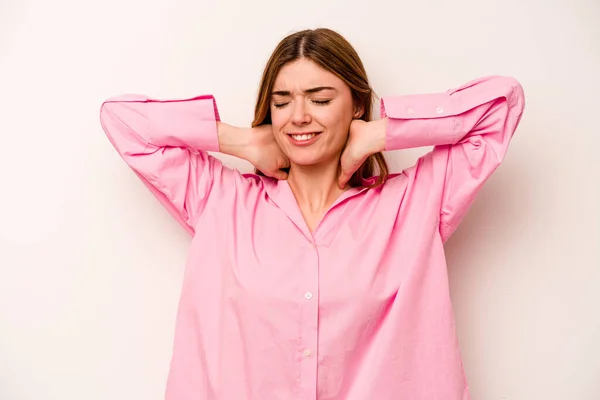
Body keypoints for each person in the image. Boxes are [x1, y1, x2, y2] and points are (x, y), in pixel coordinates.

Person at [100, 28, 525, 400]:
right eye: (282, 102)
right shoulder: (218, 198)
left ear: (356, 105)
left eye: (320, 99)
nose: (299, 116)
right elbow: (122, 120)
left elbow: (501, 103)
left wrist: (379, 134)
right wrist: (239, 142)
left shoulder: (417, 201)